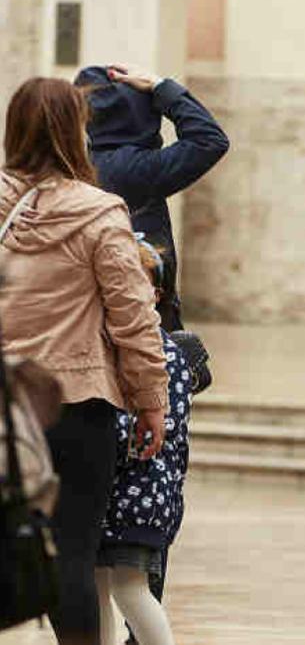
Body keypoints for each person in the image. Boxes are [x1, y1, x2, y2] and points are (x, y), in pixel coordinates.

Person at [1, 77, 168, 645]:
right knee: (73, 553)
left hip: (4, 403)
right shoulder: (100, 213)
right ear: (76, 131)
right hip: (76, 403)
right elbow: (134, 316)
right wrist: (151, 401)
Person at [96, 238, 205, 645]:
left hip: (140, 495)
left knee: (129, 588)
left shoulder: (165, 352)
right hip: (109, 495)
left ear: (156, 295)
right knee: (97, 591)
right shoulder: (107, 345)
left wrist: (96, 433)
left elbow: (158, 426)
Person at [74, 64, 230, 331]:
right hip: (142, 315)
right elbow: (209, 140)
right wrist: (162, 88)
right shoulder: (138, 168)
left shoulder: (75, 166)